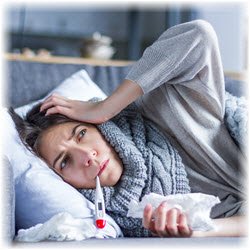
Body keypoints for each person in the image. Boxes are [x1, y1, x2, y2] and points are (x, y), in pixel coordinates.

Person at [10, 20, 247, 237]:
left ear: (99, 125)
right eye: (65, 162)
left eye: (82, 134)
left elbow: (199, 35)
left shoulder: (162, 107)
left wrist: (105, 108)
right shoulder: (122, 221)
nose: (86, 157)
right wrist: (199, 232)